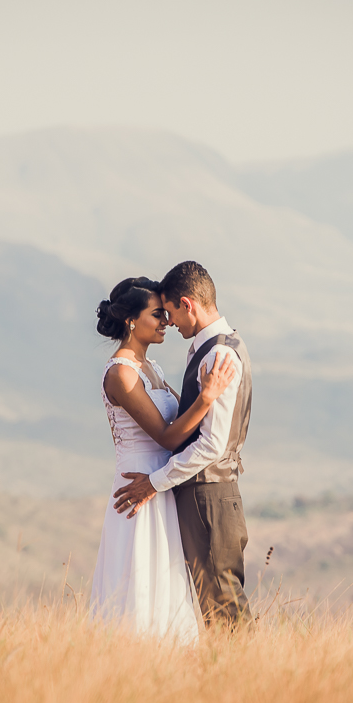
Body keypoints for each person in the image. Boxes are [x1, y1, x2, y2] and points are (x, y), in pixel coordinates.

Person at [89, 275, 237, 643]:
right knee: (139, 579)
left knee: (167, 578)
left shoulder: (150, 367)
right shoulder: (122, 374)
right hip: (139, 484)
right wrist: (207, 398)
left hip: (162, 482)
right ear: (131, 321)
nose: (167, 322)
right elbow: (167, 435)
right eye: (157, 315)